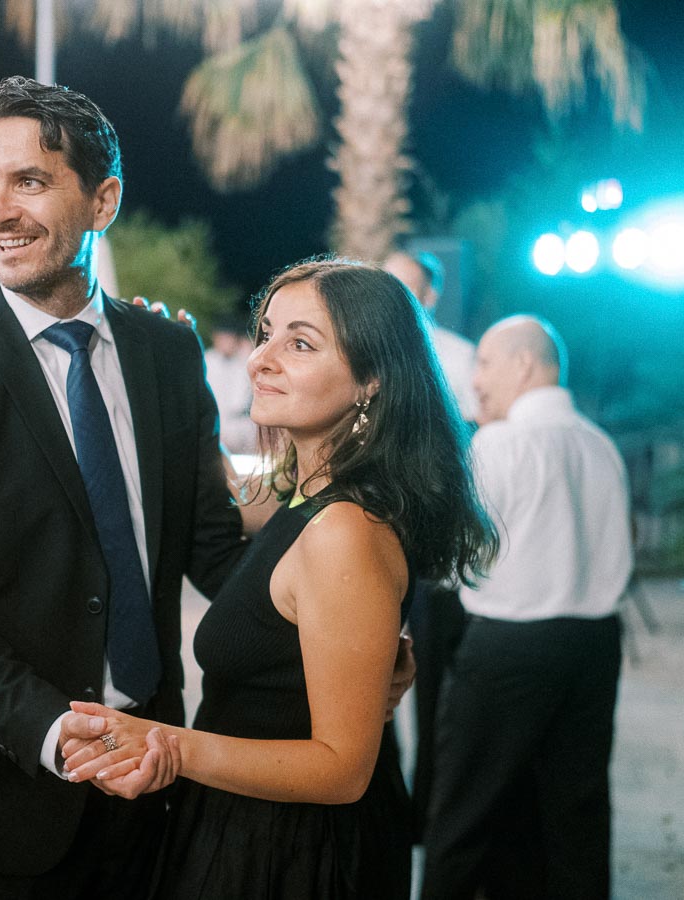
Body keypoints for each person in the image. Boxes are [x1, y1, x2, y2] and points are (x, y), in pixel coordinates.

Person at [0, 77, 413, 898]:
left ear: (104, 199)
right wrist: (57, 731)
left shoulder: (166, 349)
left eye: (28, 181)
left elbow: (214, 552)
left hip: (161, 786)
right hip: (11, 791)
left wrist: (349, 645)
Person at [62, 258, 497, 898]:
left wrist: (167, 746)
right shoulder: (304, 492)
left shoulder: (344, 530)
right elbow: (212, 492)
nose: (261, 359)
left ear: (371, 379)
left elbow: (341, 769)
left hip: (296, 851)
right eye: (266, 334)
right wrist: (175, 375)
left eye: (300, 344)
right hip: (253, 822)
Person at [421, 315, 633, 900]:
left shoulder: (501, 443)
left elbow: (456, 559)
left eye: (485, 364)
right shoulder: (600, 443)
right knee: (577, 812)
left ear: (524, 365)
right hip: (595, 646)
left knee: (463, 809)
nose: (475, 380)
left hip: (509, 648)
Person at [383, 248, 477, 838]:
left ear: (431, 295)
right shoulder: (367, 350)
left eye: (408, 286)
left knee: (433, 676)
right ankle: (385, 792)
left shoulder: (463, 358)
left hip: (431, 543)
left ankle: (432, 807)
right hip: (372, 532)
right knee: (370, 670)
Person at [384, 250, 476, 421]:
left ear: (429, 296)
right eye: (385, 286)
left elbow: (473, 418)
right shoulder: (364, 348)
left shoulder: (461, 356)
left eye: (404, 287)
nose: (391, 295)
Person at [202, 312, 256, 453]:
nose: (225, 342)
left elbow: (240, 400)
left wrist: (248, 354)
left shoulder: (245, 361)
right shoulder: (208, 360)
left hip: (241, 429)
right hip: (215, 426)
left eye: (228, 337)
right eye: (221, 337)